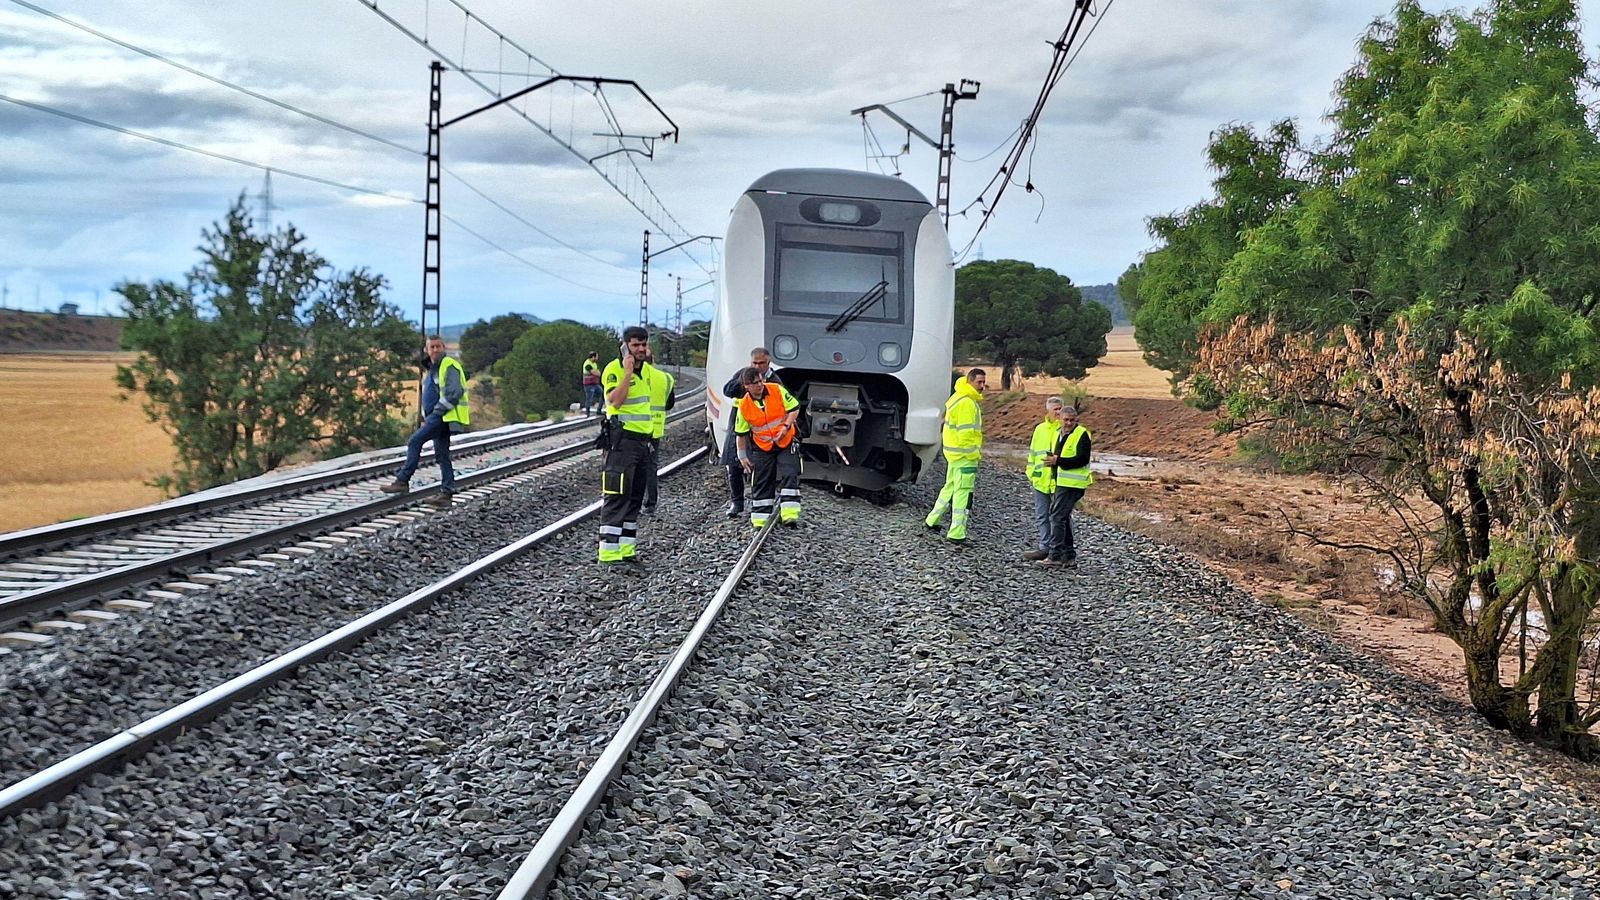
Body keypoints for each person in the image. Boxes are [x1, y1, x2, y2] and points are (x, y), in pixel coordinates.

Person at [381, 335, 470, 508]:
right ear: (426, 350)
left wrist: (436, 412)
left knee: (415, 441)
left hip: (444, 416)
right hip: (440, 416)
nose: (435, 350)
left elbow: (454, 392)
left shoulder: (448, 365)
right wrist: (426, 415)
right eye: (432, 347)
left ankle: (402, 481)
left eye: (438, 346)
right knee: (442, 455)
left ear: (444, 347)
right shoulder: (434, 369)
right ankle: (446, 493)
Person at [597, 326, 658, 564]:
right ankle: (609, 551)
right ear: (625, 346)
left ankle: (626, 548)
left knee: (635, 495)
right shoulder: (614, 370)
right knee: (617, 494)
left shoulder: (648, 371)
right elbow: (616, 401)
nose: (641, 349)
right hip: (622, 443)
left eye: (644, 344)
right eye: (635, 345)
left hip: (642, 443)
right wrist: (627, 373)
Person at [733, 367, 802, 528]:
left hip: (785, 441)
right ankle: (759, 519)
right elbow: (740, 434)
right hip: (763, 447)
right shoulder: (744, 406)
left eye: (760, 381)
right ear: (746, 386)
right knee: (761, 480)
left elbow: (794, 408)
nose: (759, 385)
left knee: (789, 473)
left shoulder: (776, 390)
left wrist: (785, 427)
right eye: (755, 383)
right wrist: (742, 457)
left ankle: (790, 515)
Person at [719, 347, 782, 518]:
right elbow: (727, 390)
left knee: (760, 469)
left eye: (761, 363)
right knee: (733, 466)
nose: (758, 366)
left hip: (761, 431)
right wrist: (743, 382)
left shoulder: (774, 381)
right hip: (739, 426)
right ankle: (736, 503)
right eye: (755, 362)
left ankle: (759, 502)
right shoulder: (743, 374)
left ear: (768, 362)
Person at [924, 368, 986, 542]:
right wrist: (974, 453)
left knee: (950, 486)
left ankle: (932, 520)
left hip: (953, 454)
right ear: (970, 381)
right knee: (963, 492)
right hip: (965, 456)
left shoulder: (957, 397)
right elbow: (966, 434)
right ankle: (957, 532)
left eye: (983, 382)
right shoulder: (967, 402)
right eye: (979, 382)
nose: (982, 386)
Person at [1040, 404, 1092, 567]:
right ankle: (1068, 556)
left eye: (1071, 420)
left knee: (1057, 516)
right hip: (1062, 482)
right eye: (1066, 420)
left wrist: (1059, 461)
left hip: (1073, 483)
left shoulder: (1081, 434)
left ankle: (1054, 555)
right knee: (1062, 516)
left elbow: (1083, 459)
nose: (1069, 423)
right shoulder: (1058, 434)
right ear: (1059, 419)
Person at [1022, 396, 1066, 561]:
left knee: (1060, 518)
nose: (1058, 412)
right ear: (1048, 410)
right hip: (1040, 481)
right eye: (1055, 409)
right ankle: (1044, 547)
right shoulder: (1040, 429)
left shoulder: (1064, 430)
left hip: (1059, 482)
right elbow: (1033, 453)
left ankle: (1060, 550)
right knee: (1042, 515)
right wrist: (1031, 473)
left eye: (1060, 409)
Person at [641, 347, 676, 515]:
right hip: (655, 429)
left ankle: (631, 502)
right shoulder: (665, 378)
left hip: (634, 430)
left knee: (631, 467)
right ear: (653, 360)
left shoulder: (636, 376)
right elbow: (669, 404)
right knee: (650, 467)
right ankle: (650, 503)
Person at [581, 351, 603, 416]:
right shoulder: (587, 364)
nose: (597, 358)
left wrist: (597, 373)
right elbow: (595, 373)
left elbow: (598, 373)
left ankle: (599, 410)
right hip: (588, 384)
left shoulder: (594, 364)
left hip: (595, 383)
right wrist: (596, 373)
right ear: (593, 357)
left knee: (602, 394)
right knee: (589, 398)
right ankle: (587, 413)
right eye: (596, 357)